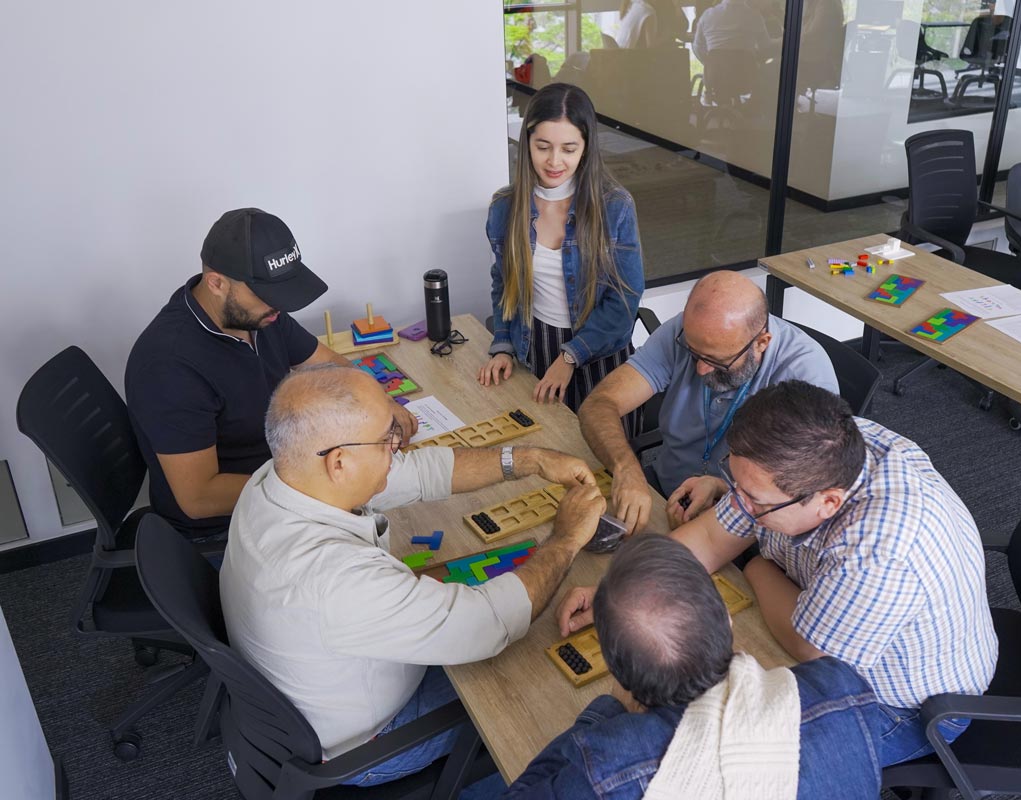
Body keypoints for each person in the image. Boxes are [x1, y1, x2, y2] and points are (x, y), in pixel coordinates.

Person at [562, 381, 998, 767]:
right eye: (737, 488)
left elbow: (808, 647)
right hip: (828, 612)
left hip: (909, 708)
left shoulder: (880, 550)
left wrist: (753, 562)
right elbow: (715, 537)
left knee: (725, 757)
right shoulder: (811, 452)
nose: (740, 506)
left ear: (826, 503)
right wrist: (622, 595)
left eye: (756, 503)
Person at [220, 364, 607, 789]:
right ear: (340, 462)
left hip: (308, 700)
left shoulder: (277, 479)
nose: (397, 447)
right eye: (387, 440)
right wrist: (567, 538)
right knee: (543, 694)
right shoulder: (336, 580)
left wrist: (530, 459)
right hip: (367, 746)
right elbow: (490, 621)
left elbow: (423, 471)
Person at [507, 535, 886, 798]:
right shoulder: (844, 687)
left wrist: (608, 710)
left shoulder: (602, 763)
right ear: (727, 619)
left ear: (616, 671)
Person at [125, 208, 416, 541]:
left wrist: (380, 403)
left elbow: (331, 367)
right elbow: (199, 498)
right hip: (229, 529)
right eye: (268, 296)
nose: (280, 307)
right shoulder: (169, 366)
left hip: (286, 482)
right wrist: (316, 485)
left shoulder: (259, 316)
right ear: (217, 283)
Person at [578, 271, 837, 533]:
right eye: (693, 353)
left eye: (716, 361)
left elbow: (799, 494)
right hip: (661, 490)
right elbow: (599, 404)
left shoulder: (806, 375)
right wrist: (626, 468)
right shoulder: (688, 332)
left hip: (746, 522)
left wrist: (721, 488)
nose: (701, 370)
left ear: (761, 343)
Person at [479, 83, 645, 439]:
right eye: (543, 147)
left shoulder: (615, 206)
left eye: (569, 149)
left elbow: (625, 301)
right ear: (527, 143)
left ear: (586, 149)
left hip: (599, 354)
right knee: (544, 459)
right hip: (534, 348)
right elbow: (503, 285)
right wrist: (503, 346)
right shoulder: (504, 208)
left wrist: (570, 357)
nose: (555, 161)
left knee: (601, 467)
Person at [692, 0, 772, 66]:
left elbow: (697, 47)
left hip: (714, 77)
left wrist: (709, 63)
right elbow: (765, 46)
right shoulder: (755, 16)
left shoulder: (707, 15)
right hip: (747, 76)